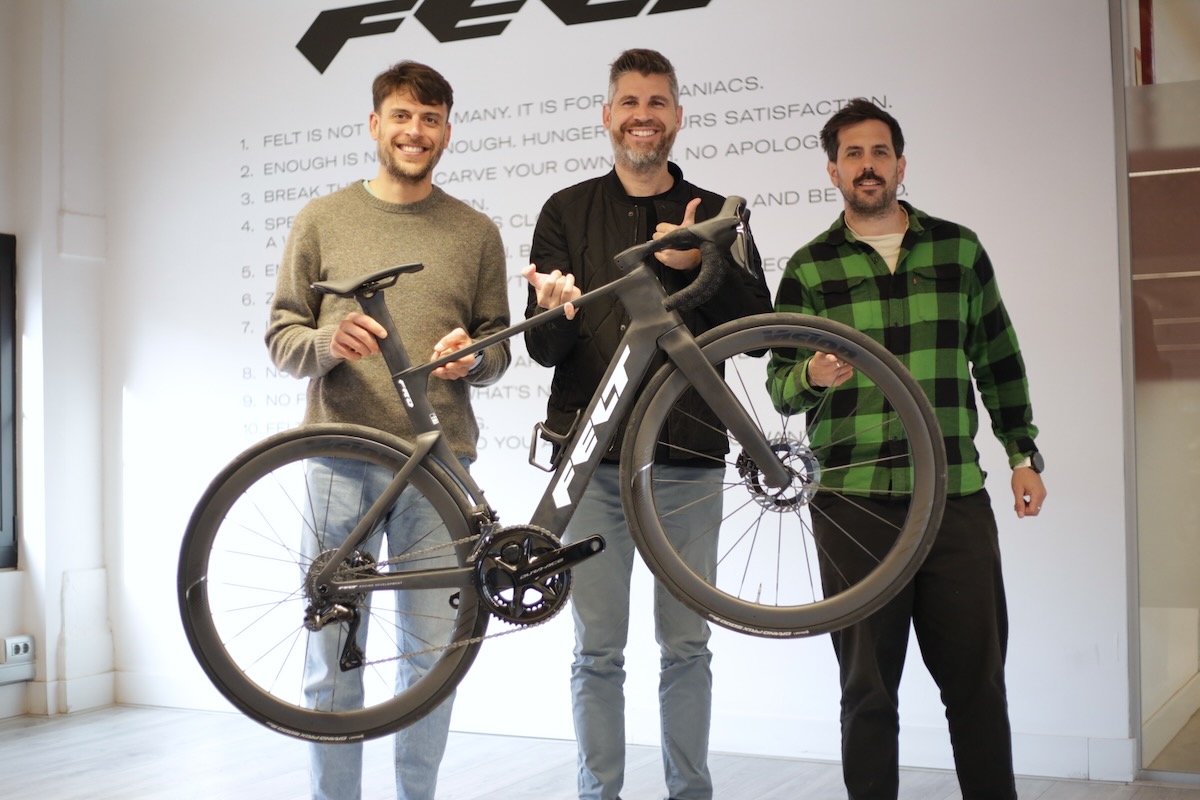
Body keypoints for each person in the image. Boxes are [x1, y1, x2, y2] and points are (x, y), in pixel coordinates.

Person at [766, 98, 1047, 799]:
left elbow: (998, 359)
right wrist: (811, 375)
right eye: (853, 155)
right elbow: (779, 386)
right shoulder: (810, 268)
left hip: (953, 498)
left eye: (880, 152)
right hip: (852, 505)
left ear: (900, 164)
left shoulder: (959, 250)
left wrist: (1021, 455)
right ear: (833, 171)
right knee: (866, 691)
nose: (868, 165)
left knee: (978, 684)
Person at [521, 48, 772, 800]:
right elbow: (542, 350)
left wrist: (703, 264)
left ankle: (690, 792)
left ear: (677, 117)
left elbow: (759, 331)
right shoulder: (564, 211)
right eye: (629, 102)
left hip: (688, 463)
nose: (643, 115)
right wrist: (557, 311)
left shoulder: (719, 212)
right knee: (596, 652)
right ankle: (598, 794)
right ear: (608, 116)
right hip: (591, 466)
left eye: (657, 102)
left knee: (687, 646)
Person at [265, 61, 510, 800]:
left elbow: (498, 347)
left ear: (447, 131)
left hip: (441, 469)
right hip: (339, 457)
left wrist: (473, 357)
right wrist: (326, 343)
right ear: (376, 124)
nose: (415, 131)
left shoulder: (476, 232)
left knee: (431, 660)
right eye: (402, 115)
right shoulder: (321, 218)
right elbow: (282, 337)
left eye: (430, 119)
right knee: (330, 657)